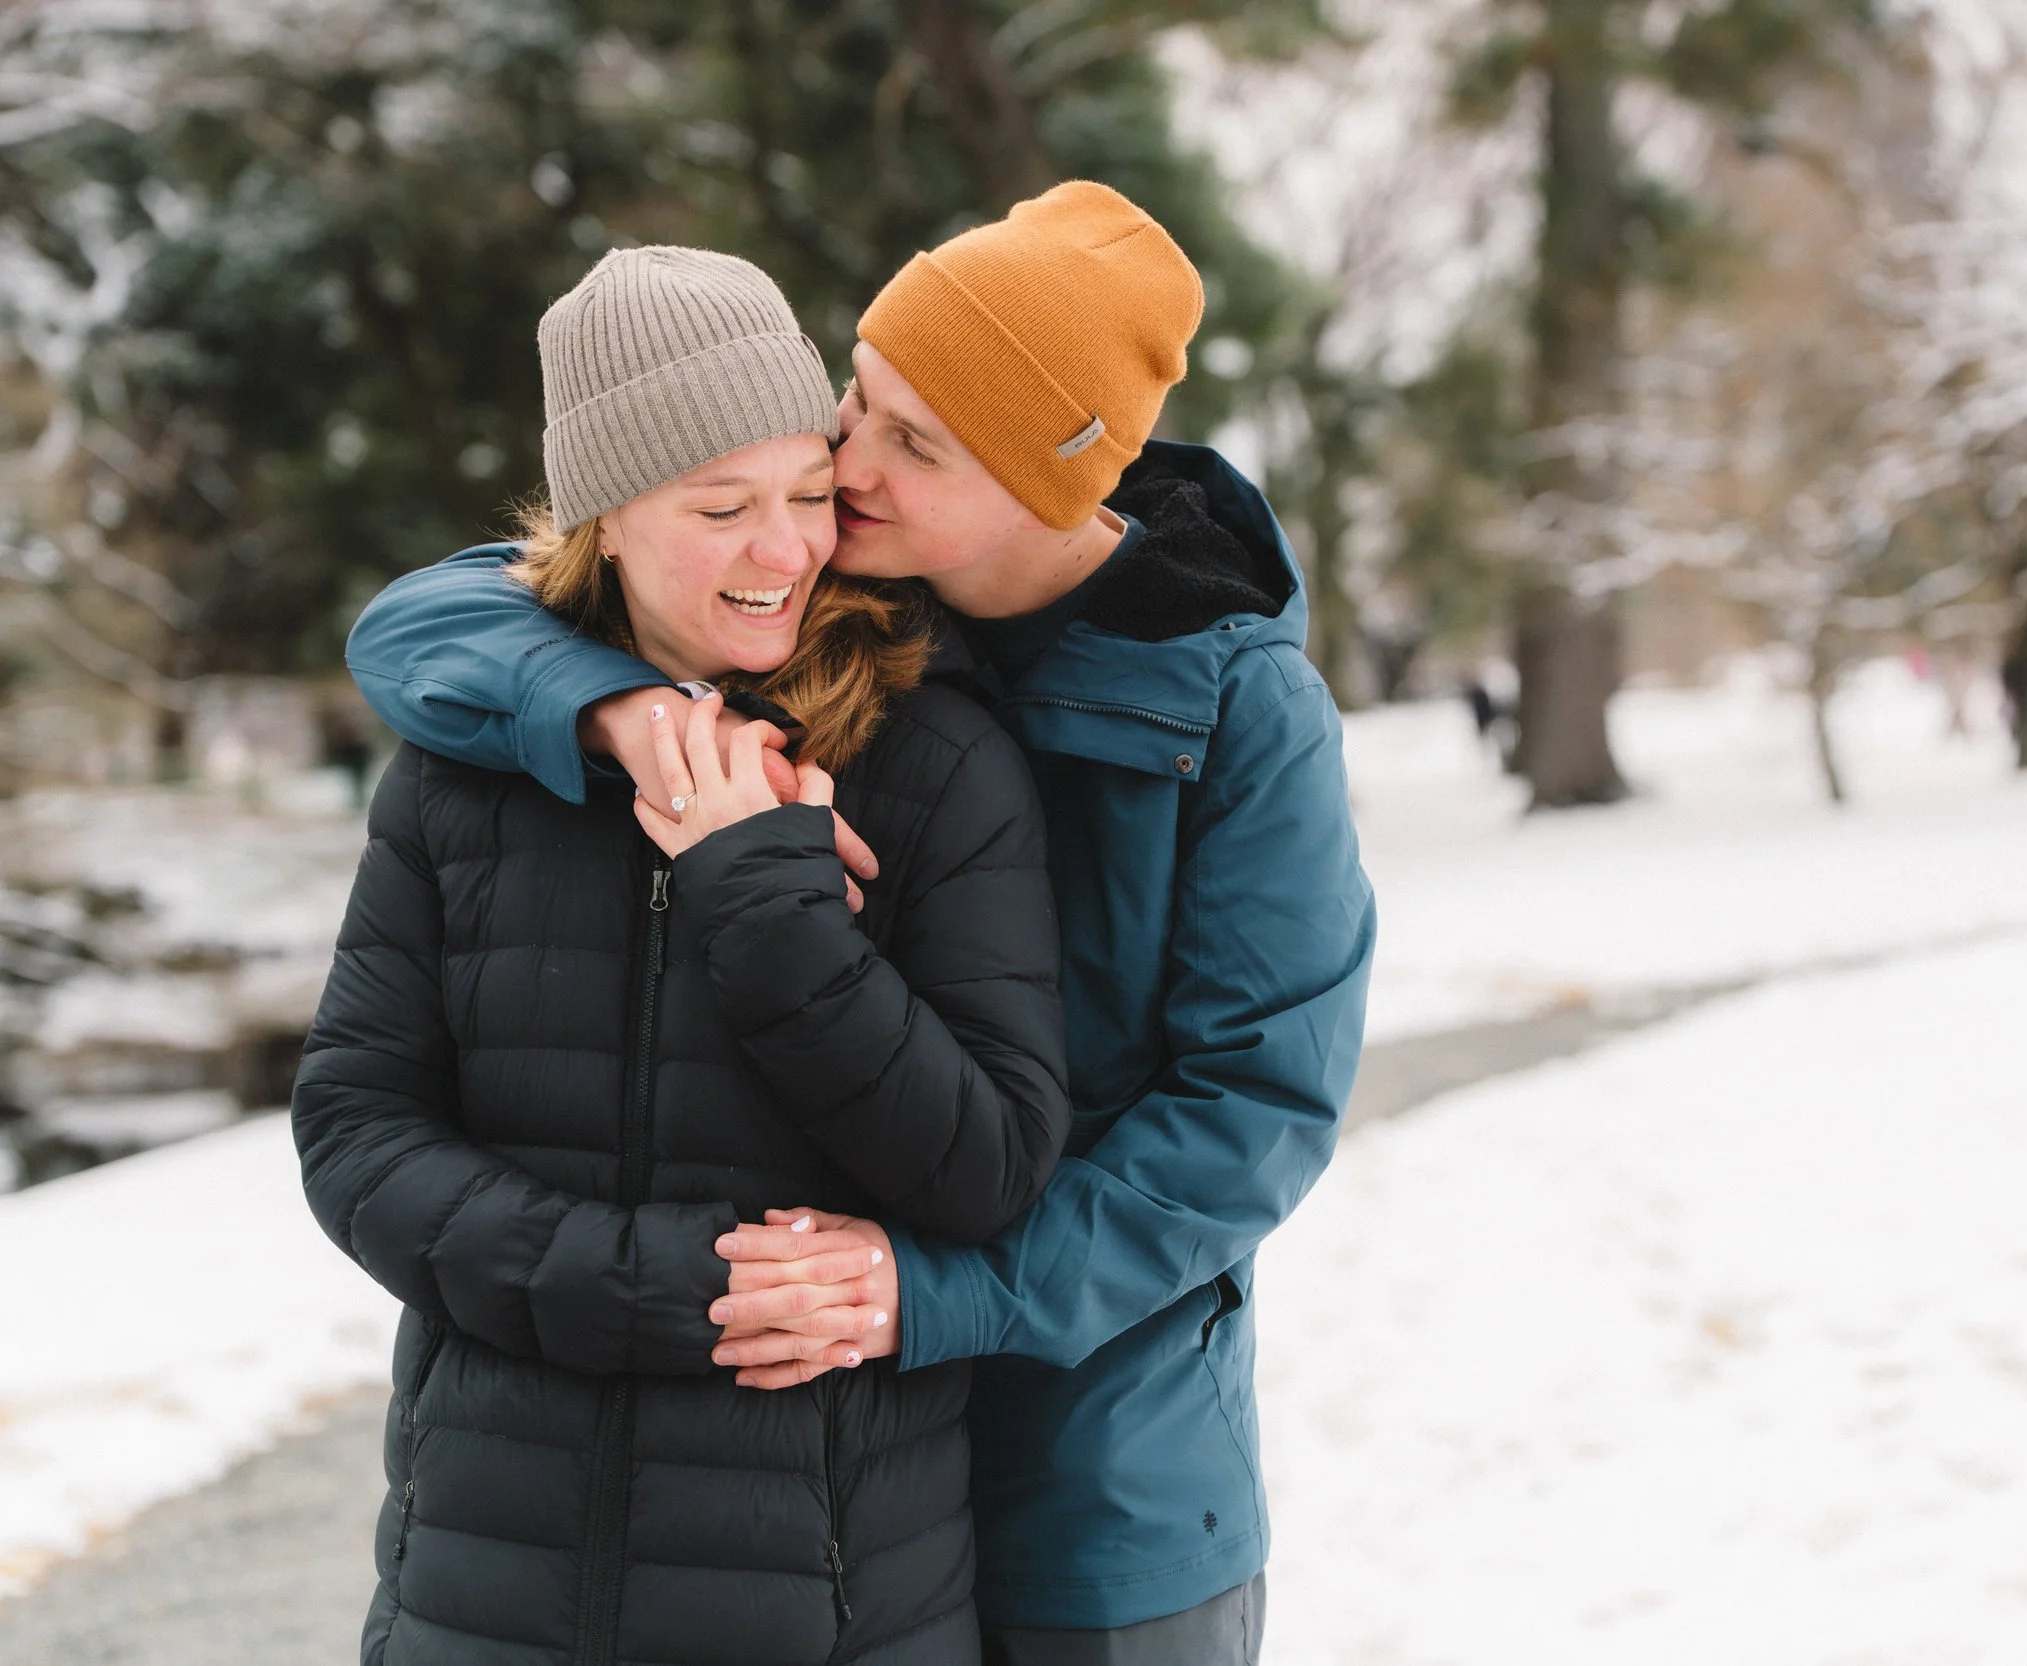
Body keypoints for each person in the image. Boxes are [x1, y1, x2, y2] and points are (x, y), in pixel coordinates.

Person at [346, 183, 1376, 1665]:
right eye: (860, 400)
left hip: (1086, 1463)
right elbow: (430, 615)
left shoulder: (1233, 707)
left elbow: (1254, 1114)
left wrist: (933, 1293)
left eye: (916, 443)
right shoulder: (825, 612)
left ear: (1050, 480)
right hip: (828, 1442)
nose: (846, 461)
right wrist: (620, 710)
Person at [295, 245, 1071, 1666]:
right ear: (604, 517)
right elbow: (354, 1131)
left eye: (804, 493)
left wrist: (763, 899)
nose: (784, 549)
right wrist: (661, 1283)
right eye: (722, 507)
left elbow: (987, 1163)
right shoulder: (468, 770)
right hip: (481, 1588)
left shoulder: (936, 761)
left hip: (830, 1605)